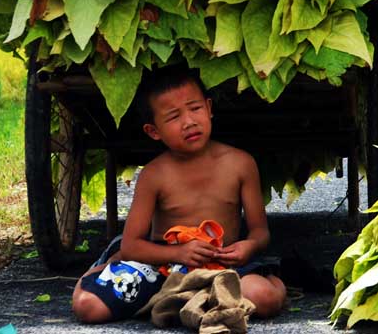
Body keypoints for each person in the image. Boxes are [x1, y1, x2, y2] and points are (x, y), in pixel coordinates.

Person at [71, 66, 287, 323]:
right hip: (163, 266)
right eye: (173, 117)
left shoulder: (241, 163)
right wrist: (178, 253)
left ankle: (274, 279)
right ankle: (97, 271)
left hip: (222, 265)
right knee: (88, 307)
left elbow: (260, 234)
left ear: (209, 109)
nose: (189, 122)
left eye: (195, 109)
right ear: (154, 131)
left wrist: (248, 247)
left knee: (264, 298)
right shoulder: (154, 174)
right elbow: (131, 246)